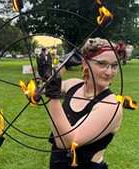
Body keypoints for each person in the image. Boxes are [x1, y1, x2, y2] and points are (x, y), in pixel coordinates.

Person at [43, 37, 123, 169]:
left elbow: (66, 142)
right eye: (102, 64)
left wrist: (53, 96)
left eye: (114, 65)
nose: (109, 72)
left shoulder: (111, 106)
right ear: (84, 63)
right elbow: (40, 91)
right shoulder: (73, 85)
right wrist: (63, 66)